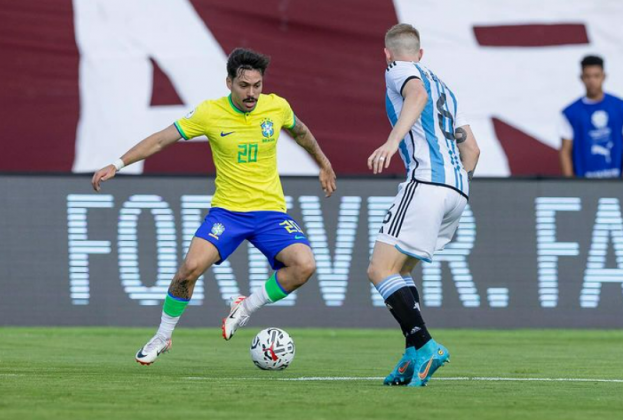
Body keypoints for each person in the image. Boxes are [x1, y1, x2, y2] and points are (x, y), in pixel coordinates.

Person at [91, 48, 336, 365]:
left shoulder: (277, 107)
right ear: (229, 83)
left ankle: (245, 307)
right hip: (228, 214)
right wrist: (118, 163)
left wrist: (324, 164)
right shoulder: (209, 113)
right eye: (244, 85)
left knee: (305, 266)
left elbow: (301, 132)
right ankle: (162, 337)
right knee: (188, 270)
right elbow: (162, 139)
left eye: (257, 85)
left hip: (270, 213)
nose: (251, 93)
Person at [366, 24, 480, 387]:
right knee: (400, 271)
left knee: (379, 270)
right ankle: (412, 354)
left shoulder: (399, 71)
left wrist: (390, 142)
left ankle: (425, 344)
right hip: (457, 190)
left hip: (427, 182)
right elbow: (473, 151)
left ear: (388, 53)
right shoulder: (445, 87)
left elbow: (415, 96)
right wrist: (456, 184)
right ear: (422, 52)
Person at [559, 55, 623, 178]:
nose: (592, 81)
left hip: (616, 180)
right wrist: (570, 184)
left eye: (596, 76)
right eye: (588, 76)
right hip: (585, 182)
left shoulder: (619, 107)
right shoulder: (570, 113)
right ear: (581, 78)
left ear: (604, 76)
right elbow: (565, 151)